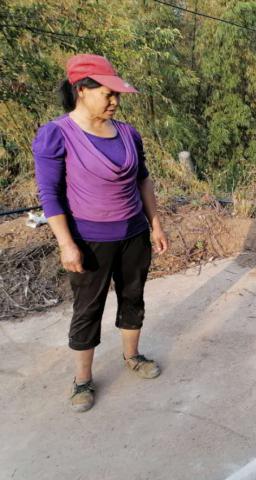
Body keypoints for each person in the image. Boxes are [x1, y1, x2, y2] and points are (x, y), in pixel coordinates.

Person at [32, 54, 169, 412]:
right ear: (81, 90)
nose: (115, 101)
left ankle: (133, 356)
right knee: (88, 308)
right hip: (89, 241)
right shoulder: (57, 135)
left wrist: (155, 224)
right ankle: (82, 381)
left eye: (117, 95)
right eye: (107, 94)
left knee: (133, 296)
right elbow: (49, 194)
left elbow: (143, 180)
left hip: (134, 234)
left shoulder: (128, 133)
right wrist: (66, 244)